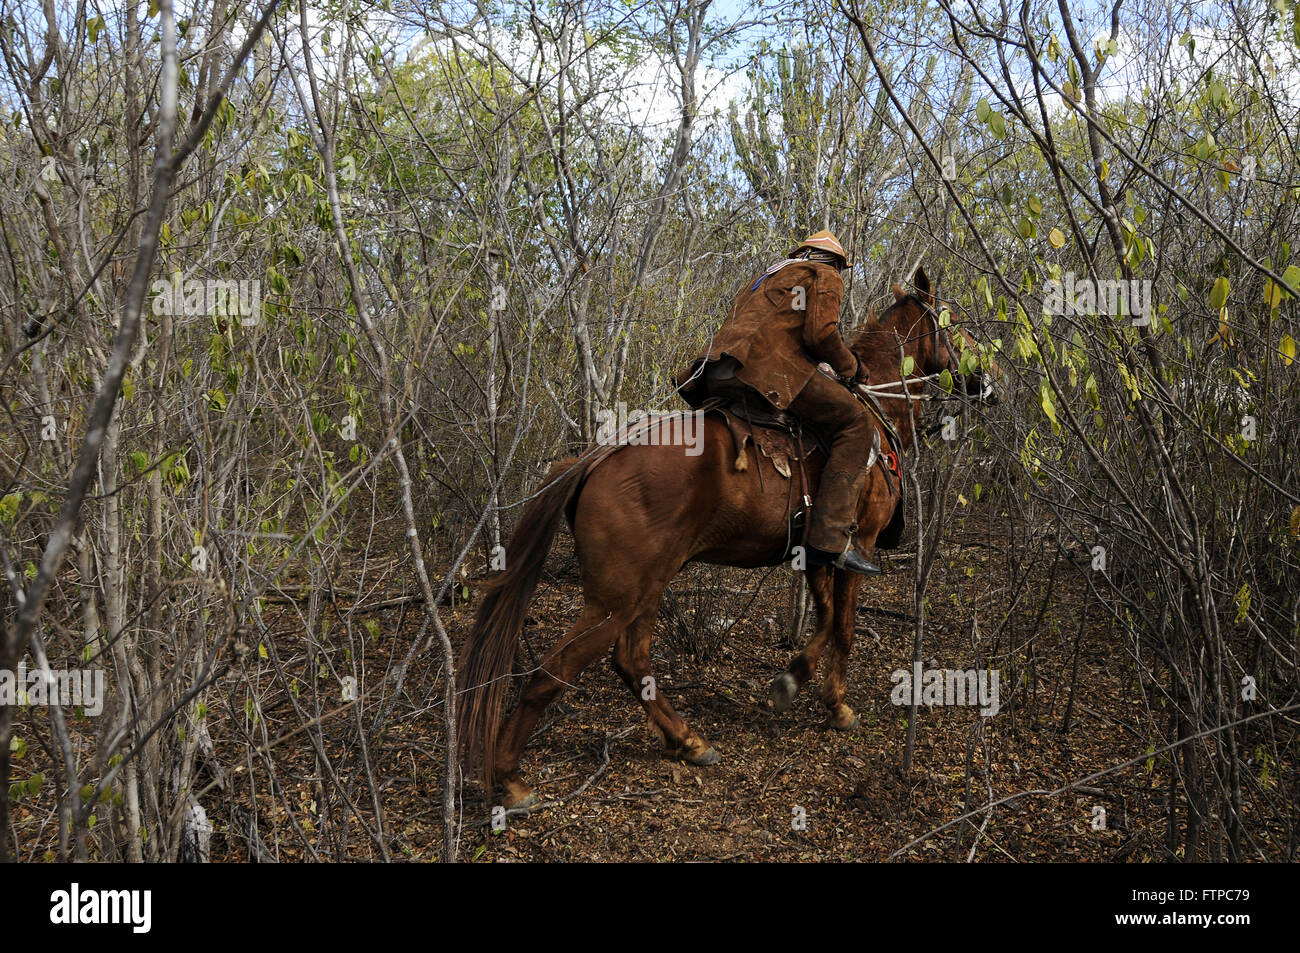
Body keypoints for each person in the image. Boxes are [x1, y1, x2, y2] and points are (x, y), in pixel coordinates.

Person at [676, 230, 880, 575]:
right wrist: (852, 366)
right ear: (836, 261)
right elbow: (821, 334)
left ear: (803, 252)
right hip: (766, 372)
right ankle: (829, 541)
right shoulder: (824, 274)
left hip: (716, 372)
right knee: (857, 423)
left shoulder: (767, 276)